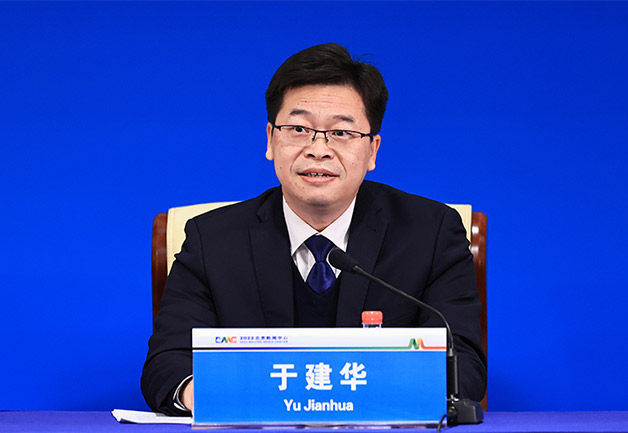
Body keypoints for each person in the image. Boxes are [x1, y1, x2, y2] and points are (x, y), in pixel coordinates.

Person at [141, 43, 486, 415]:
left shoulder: (430, 234)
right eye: (299, 128)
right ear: (270, 140)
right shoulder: (212, 240)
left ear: (372, 151)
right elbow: (167, 366)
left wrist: (342, 398)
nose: (318, 149)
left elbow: (464, 369)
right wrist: (220, 396)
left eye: (341, 132)